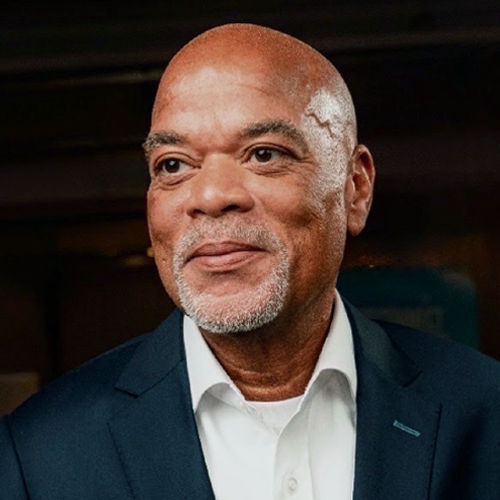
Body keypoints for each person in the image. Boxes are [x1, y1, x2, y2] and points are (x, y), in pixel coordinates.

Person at [1, 24, 498, 500]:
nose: (212, 196)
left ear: (355, 188)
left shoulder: (484, 412)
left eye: (263, 155)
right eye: (173, 164)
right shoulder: (38, 455)